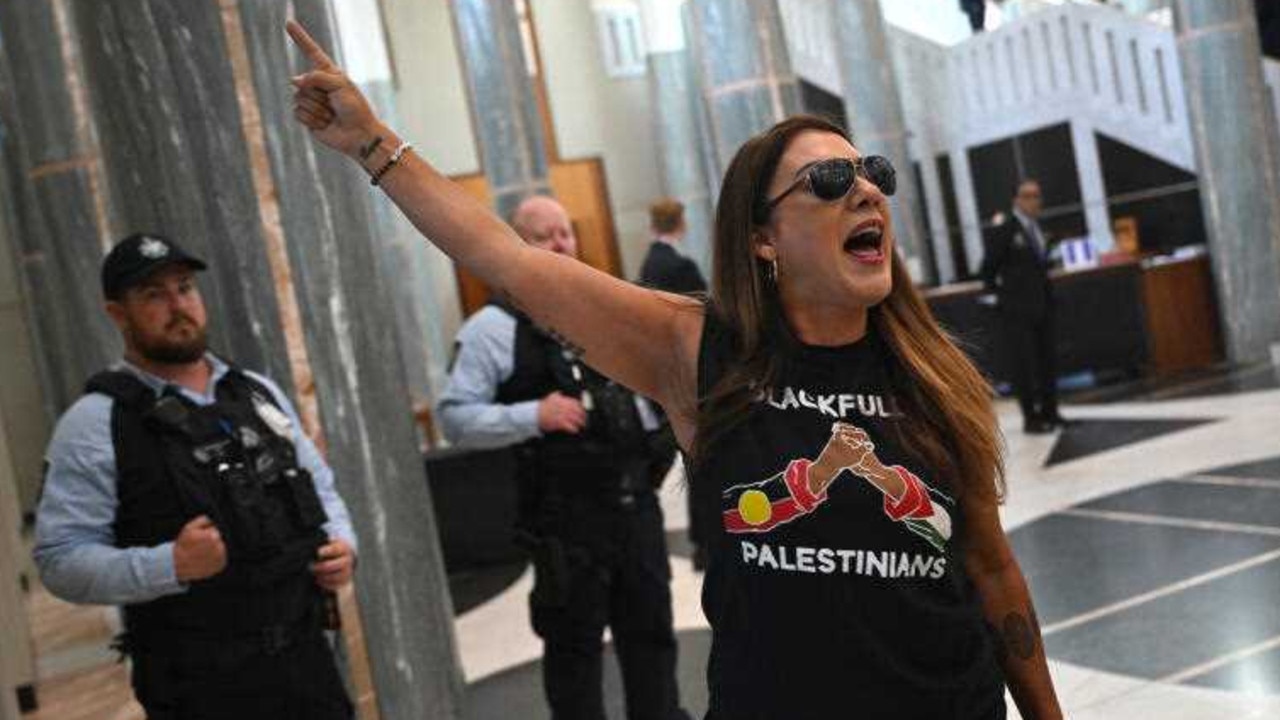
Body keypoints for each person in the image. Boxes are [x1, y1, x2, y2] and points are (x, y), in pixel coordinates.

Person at [287, 21, 1062, 719]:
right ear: (763, 239)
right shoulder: (701, 352)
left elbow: (991, 571)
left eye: (873, 175)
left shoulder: (931, 373)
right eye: (828, 182)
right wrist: (371, 142)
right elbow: (509, 260)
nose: (864, 189)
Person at [33, 233, 358, 720]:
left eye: (184, 288)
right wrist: (172, 564)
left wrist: (341, 544)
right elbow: (60, 560)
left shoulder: (254, 393)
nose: (177, 305)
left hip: (305, 663)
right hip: (199, 685)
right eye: (153, 295)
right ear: (117, 314)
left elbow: (318, 483)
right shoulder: (96, 423)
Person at [437, 195, 690, 720]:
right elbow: (456, 418)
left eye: (566, 233)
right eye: (544, 236)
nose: (561, 245)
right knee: (574, 657)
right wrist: (533, 415)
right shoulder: (491, 329)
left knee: (652, 642)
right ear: (516, 245)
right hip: (565, 526)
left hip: (635, 512)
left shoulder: (608, 311)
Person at [637, 198, 710, 570]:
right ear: (680, 224)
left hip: (663, 374)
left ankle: (702, 540)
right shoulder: (681, 266)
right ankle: (706, 540)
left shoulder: (649, 263)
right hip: (689, 378)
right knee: (701, 458)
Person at [979, 179, 1068, 435]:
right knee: (1024, 365)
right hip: (1016, 310)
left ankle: (1051, 412)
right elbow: (987, 269)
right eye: (1028, 196)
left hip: (1043, 306)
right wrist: (1001, 298)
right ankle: (1031, 418)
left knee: (1047, 361)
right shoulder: (1005, 228)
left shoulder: (1038, 229)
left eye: (1037, 196)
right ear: (1016, 200)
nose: (1034, 201)